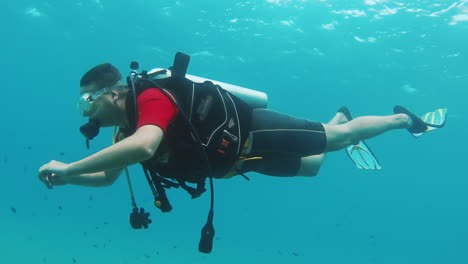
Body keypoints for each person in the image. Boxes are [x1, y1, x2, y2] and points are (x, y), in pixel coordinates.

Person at [37, 52, 447, 253]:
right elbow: (108, 177)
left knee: (334, 141)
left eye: (87, 102)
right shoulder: (125, 130)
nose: (85, 112)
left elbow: (146, 145)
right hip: (238, 161)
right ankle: (340, 117)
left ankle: (405, 121)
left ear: (112, 92)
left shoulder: (151, 100)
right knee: (312, 169)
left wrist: (70, 165)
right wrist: (70, 177)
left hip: (256, 131)